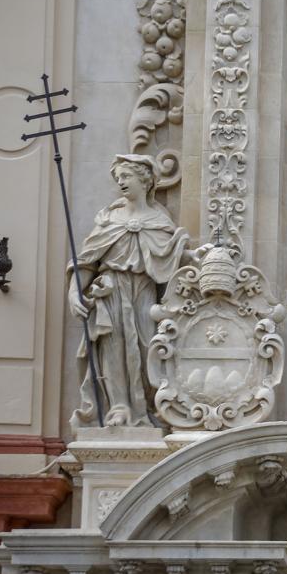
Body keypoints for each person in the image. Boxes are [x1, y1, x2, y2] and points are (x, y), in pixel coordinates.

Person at [69, 154, 190, 429]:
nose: (121, 182)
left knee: (148, 345)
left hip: (145, 291)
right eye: (118, 178)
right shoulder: (110, 217)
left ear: (145, 180)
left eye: (126, 176)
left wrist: (193, 257)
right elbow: (89, 260)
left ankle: (147, 406)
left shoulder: (159, 218)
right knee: (114, 349)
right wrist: (74, 292)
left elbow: (168, 256)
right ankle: (120, 406)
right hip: (111, 290)